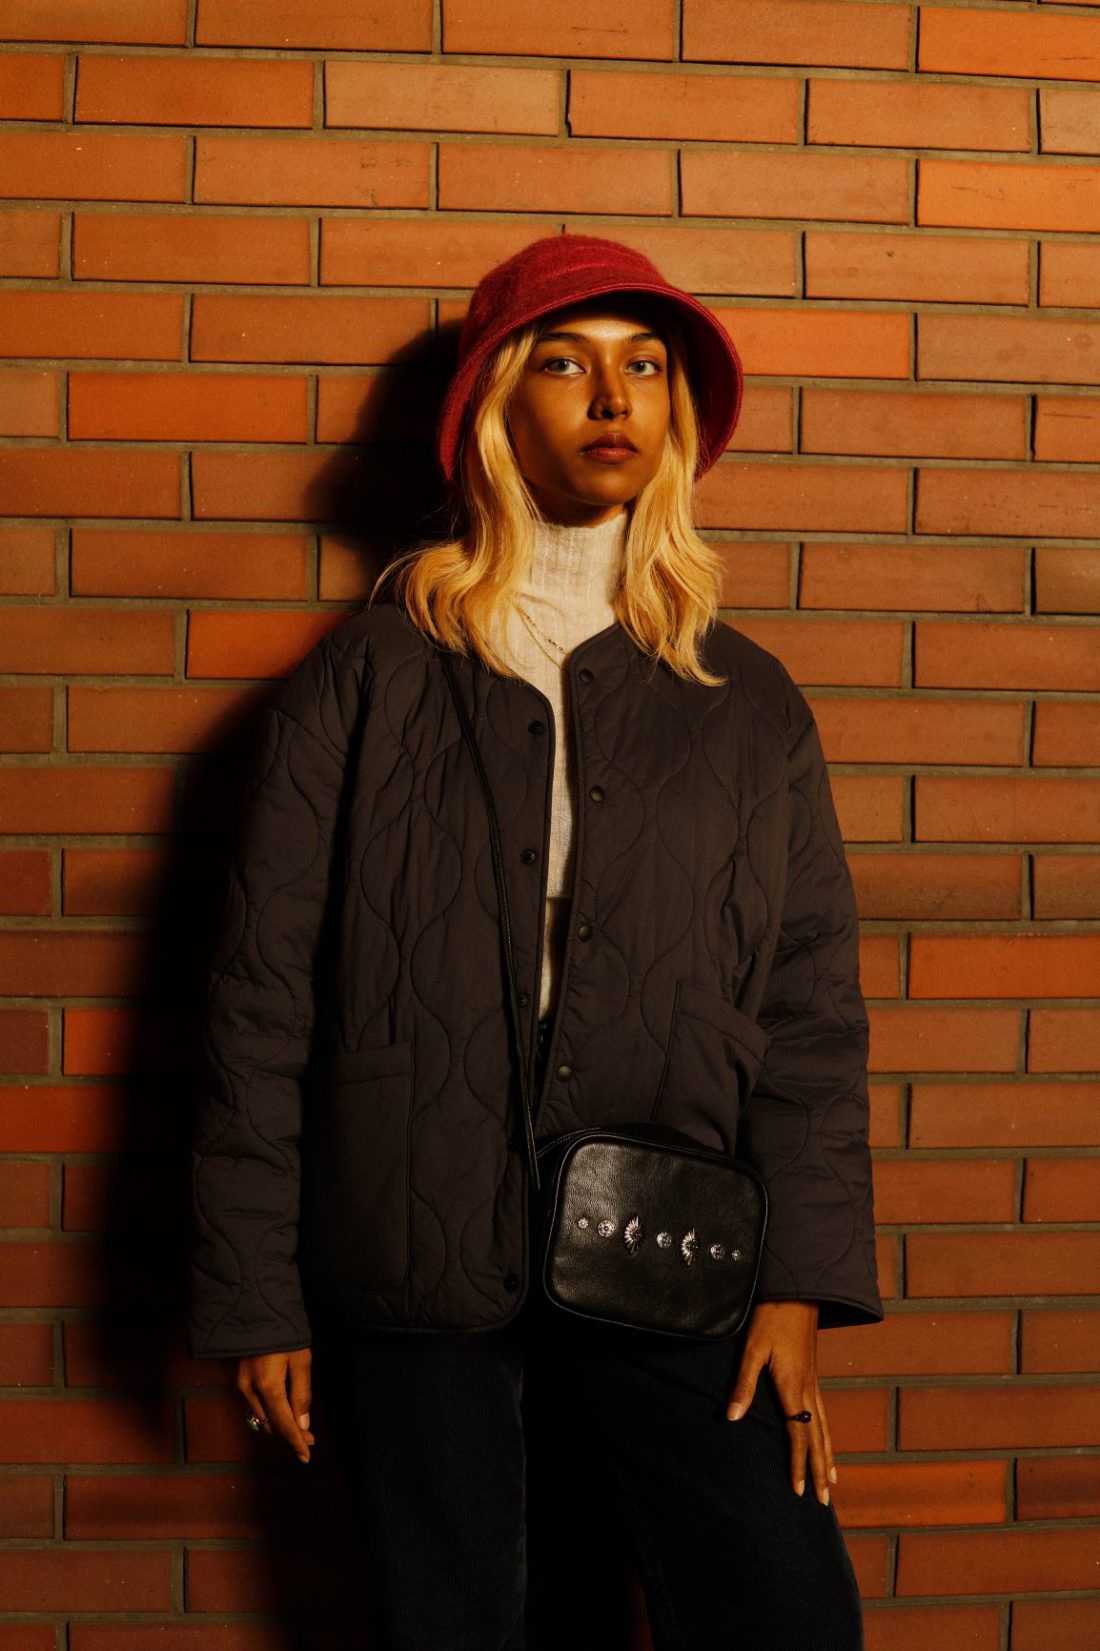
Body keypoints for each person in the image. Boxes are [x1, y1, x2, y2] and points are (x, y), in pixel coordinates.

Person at [188, 232, 883, 1650]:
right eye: (565, 365)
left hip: (672, 1244)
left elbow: (809, 1015)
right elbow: (260, 1004)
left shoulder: (746, 702)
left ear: (678, 412)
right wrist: (255, 1294)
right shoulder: (370, 677)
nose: (613, 398)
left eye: (646, 367)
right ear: (496, 408)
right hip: (416, 1252)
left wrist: (800, 1284)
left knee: (782, 1610)